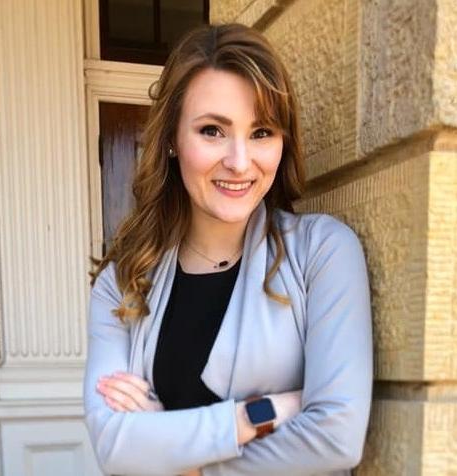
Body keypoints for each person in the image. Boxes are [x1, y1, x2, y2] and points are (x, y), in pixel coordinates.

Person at [83, 23, 373, 476]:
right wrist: (255, 416)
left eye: (261, 133)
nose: (240, 162)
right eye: (213, 130)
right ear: (173, 141)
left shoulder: (323, 253)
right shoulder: (124, 282)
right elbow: (114, 446)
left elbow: (336, 437)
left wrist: (184, 461)